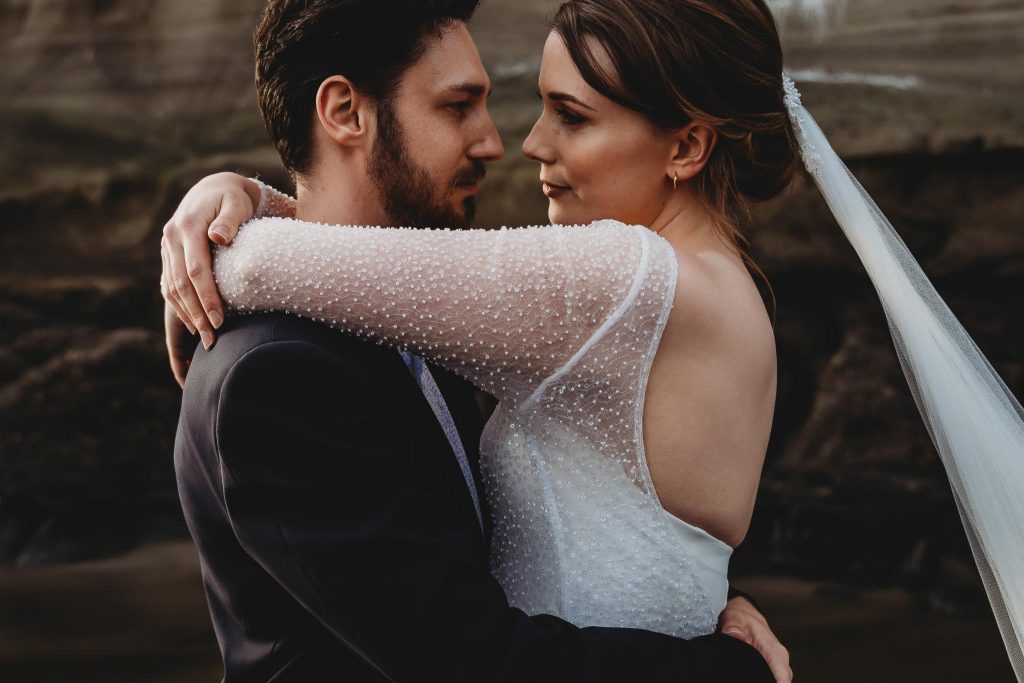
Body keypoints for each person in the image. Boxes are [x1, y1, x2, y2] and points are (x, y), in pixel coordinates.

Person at [170, 1, 790, 681]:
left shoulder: (622, 283)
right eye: (458, 105)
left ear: (688, 147)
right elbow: (468, 655)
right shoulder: (280, 372)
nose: (511, 143)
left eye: (572, 115)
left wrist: (225, 225)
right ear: (345, 111)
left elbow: (261, 264)